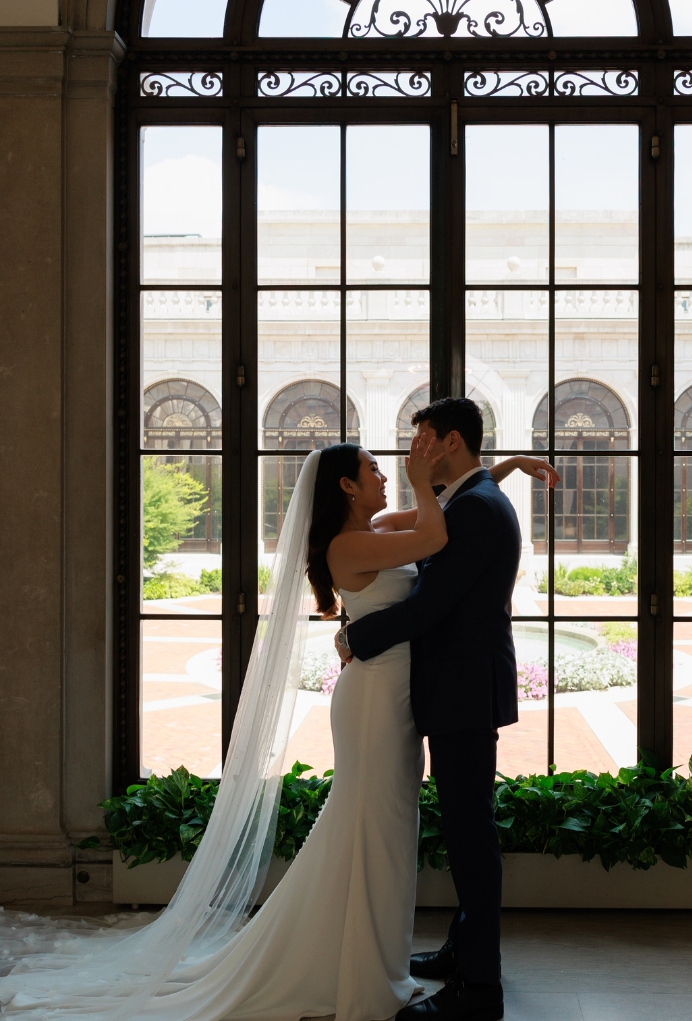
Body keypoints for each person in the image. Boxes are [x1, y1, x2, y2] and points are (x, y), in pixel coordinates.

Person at [0, 416, 556, 1021]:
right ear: (345, 486)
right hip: (374, 702)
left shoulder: (374, 526)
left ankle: (375, 954)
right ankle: (355, 963)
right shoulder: (351, 544)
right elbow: (432, 537)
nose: (388, 472)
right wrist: (431, 485)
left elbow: (446, 520)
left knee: (387, 830)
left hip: (398, 696)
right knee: (372, 826)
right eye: (373, 468)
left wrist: (497, 472)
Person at [337, 397, 528, 1021]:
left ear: (448, 443)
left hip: (463, 691)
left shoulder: (473, 511)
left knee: (473, 839)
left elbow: (428, 608)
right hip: (459, 687)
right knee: (468, 832)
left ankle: (480, 990)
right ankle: (460, 953)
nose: (411, 451)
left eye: (420, 440)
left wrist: (353, 639)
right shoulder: (469, 499)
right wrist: (512, 463)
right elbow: (442, 519)